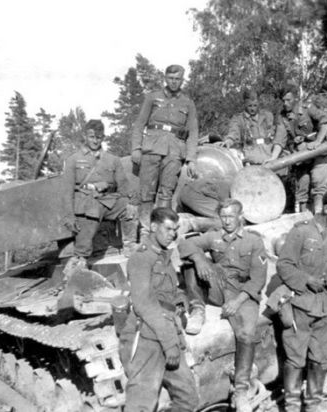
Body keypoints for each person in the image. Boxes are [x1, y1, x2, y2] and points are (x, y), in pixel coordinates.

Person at [180, 199, 268, 412]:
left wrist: (237, 302)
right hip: (218, 286)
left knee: (246, 334)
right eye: (223, 217)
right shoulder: (214, 236)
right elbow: (184, 244)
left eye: (231, 216)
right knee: (190, 262)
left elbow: (258, 279)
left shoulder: (254, 241)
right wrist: (200, 259)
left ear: (240, 216)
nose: (227, 221)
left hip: (242, 292)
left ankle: (241, 392)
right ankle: (198, 309)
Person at [276, 188, 327, 412]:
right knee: (295, 359)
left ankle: (313, 405)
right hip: (301, 306)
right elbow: (284, 264)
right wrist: (307, 280)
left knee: (320, 359)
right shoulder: (301, 232)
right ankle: (292, 406)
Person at [118, 207, 200, 412]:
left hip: (168, 330)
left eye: (175, 229)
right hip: (148, 336)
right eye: (168, 229)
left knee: (188, 398)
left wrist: (181, 301)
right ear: (154, 227)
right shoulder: (141, 258)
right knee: (141, 405)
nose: (173, 234)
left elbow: (167, 291)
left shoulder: (163, 256)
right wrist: (170, 343)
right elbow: (144, 303)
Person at [62, 119, 137, 271]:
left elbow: (124, 186)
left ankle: (130, 245)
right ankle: (78, 264)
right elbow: (67, 191)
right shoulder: (73, 160)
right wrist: (69, 216)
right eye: (91, 137)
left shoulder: (112, 160)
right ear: (85, 136)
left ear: (103, 137)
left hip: (106, 201)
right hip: (85, 204)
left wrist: (131, 200)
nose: (95, 141)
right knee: (82, 249)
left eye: (99, 137)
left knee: (129, 208)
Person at [131, 65, 199, 228]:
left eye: (177, 79)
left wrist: (191, 159)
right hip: (152, 149)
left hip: (174, 151)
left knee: (166, 192)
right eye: (171, 78)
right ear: (165, 78)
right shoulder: (152, 97)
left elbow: (193, 132)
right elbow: (139, 124)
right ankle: (146, 229)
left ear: (182, 80)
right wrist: (136, 148)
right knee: (146, 192)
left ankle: (161, 229)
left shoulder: (188, 103)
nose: (174, 82)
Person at [274, 84, 327, 214]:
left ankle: (319, 215)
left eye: (288, 100)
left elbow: (326, 121)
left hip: (318, 153)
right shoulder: (282, 117)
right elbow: (279, 139)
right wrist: (273, 158)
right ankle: (304, 217)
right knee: (302, 187)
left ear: (295, 99)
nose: (285, 103)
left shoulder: (308, 108)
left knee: (319, 184)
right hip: (301, 155)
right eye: (283, 100)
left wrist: (318, 141)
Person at [224, 89, 284, 166]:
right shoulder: (239, 119)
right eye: (250, 106)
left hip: (269, 158)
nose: (252, 109)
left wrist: (275, 155)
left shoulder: (268, 116)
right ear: (244, 104)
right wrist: (229, 141)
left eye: (255, 105)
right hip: (250, 161)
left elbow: (280, 132)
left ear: (258, 103)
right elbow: (233, 132)